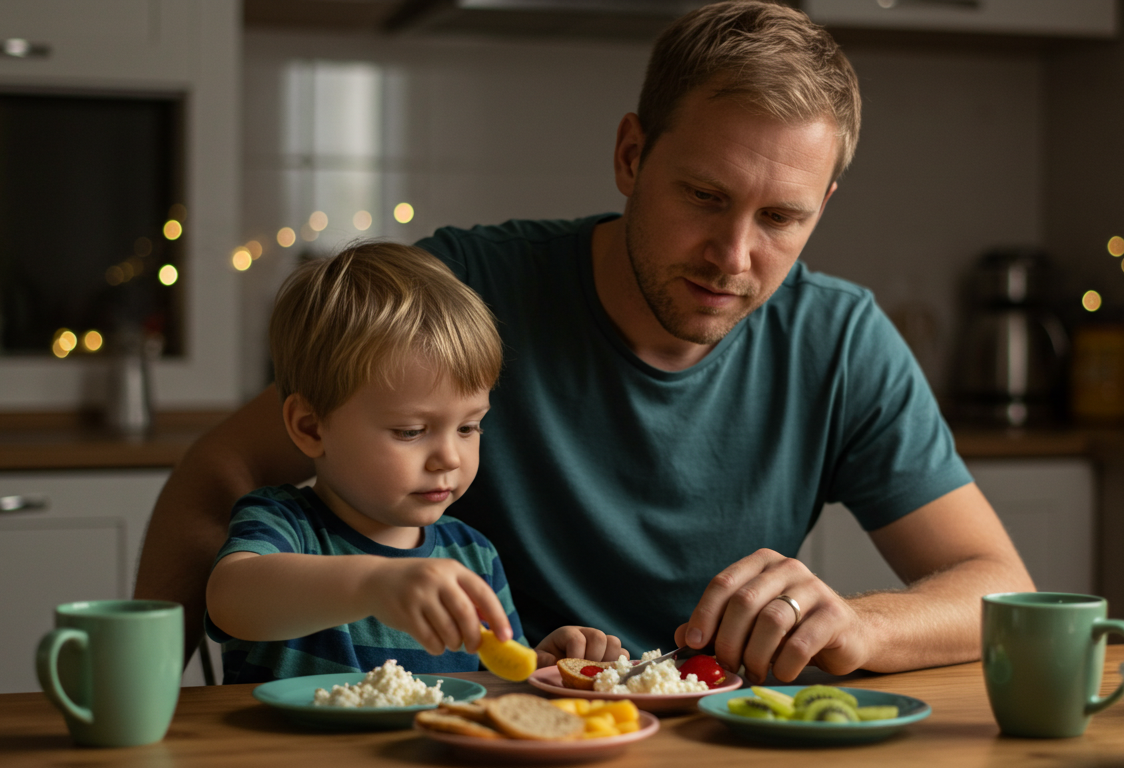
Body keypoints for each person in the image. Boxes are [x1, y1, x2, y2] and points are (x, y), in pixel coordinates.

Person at [137, 0, 1033, 684]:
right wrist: (143, 710)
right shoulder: (463, 293)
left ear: (822, 207)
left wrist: (861, 625)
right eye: (705, 197)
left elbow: (999, 588)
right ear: (631, 157)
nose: (733, 257)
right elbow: (220, 472)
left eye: (781, 218)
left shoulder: (839, 339)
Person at [203, 242, 625, 683]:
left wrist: (542, 666)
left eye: (469, 427)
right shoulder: (282, 523)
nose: (449, 457)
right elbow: (231, 600)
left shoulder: (473, 556)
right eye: (410, 431)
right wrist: (374, 584)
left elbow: (499, 683)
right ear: (311, 427)